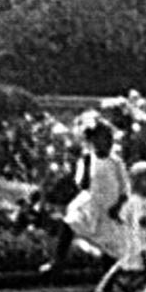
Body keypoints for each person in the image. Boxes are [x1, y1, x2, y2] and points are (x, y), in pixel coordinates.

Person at [39, 112, 129, 277]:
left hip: (110, 210)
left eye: (110, 138)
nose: (108, 142)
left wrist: (118, 206)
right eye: (103, 138)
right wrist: (85, 164)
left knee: (110, 249)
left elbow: (124, 189)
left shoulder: (116, 162)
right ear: (93, 141)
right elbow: (82, 184)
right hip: (91, 204)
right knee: (70, 223)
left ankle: (107, 283)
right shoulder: (87, 160)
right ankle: (58, 261)